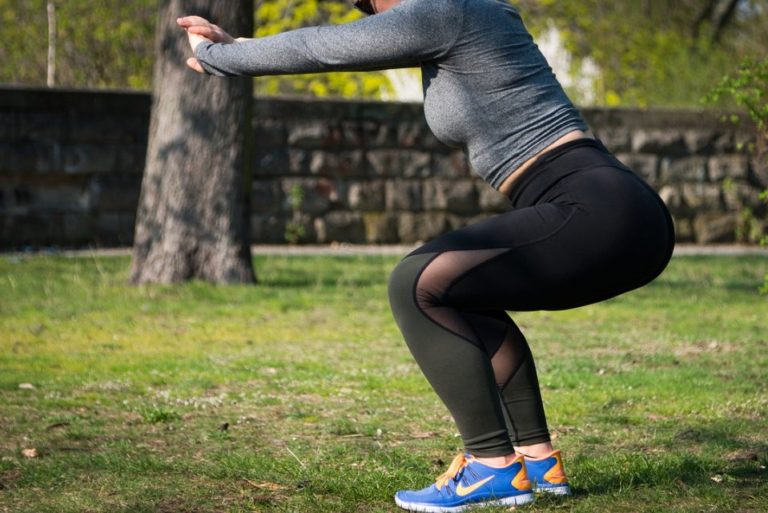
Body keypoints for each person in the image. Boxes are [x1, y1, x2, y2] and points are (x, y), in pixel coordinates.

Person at [178, 0, 675, 511]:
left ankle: (490, 466)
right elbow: (335, 46)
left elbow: (322, 47)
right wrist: (236, 46)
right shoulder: (460, 16)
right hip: (620, 211)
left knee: (415, 284)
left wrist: (222, 58)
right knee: (465, 294)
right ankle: (536, 460)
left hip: (596, 208)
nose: (369, 10)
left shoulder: (448, 11)